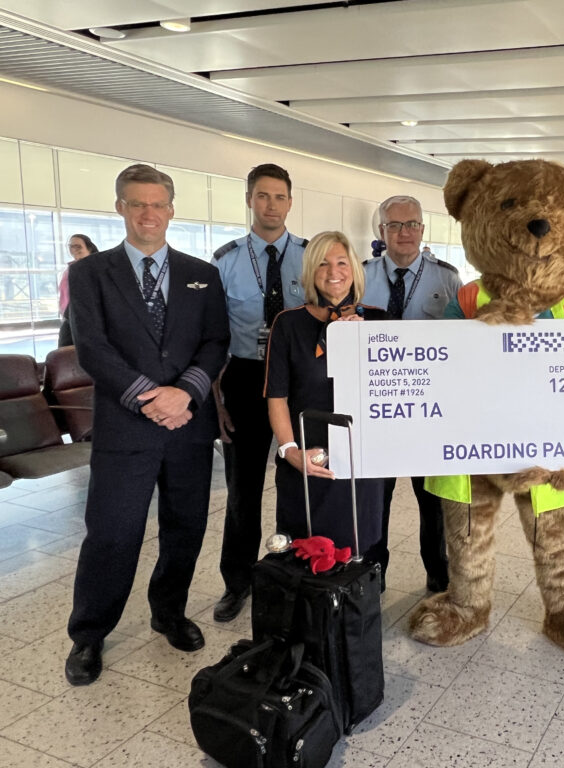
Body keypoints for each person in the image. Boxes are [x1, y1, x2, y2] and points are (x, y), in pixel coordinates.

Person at [64, 164, 230, 686]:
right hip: (125, 427)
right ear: (120, 209)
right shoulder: (91, 274)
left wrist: (187, 393)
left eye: (158, 204)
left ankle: (169, 612)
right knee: (113, 534)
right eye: (137, 204)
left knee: (186, 527)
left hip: (188, 425)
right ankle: (89, 634)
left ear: (172, 210)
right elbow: (91, 347)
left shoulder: (200, 271)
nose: (148, 214)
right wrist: (147, 398)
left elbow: (215, 340)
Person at [209, 163, 308, 623]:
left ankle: (295, 573)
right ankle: (238, 582)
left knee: (299, 484)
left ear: (290, 202)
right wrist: (217, 397)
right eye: (263, 196)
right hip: (245, 379)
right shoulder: (225, 260)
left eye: (280, 197)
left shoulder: (310, 257)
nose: (271, 205)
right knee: (242, 491)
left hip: (298, 380)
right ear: (250, 199)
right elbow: (210, 336)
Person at [361, 195, 462, 592]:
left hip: (427, 412)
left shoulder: (447, 279)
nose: (405, 233)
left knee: (432, 499)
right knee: (374, 498)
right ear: (381, 231)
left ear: (423, 229)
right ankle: (373, 573)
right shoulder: (360, 274)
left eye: (412, 224)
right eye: (395, 225)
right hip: (377, 407)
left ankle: (438, 573)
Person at [265, 231, 386, 551]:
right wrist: (290, 451)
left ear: (354, 270)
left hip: (360, 457)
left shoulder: (377, 320)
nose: (334, 272)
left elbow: (393, 388)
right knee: (305, 546)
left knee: (361, 545)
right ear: (309, 272)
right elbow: (277, 396)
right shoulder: (288, 324)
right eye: (323, 263)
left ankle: (361, 600)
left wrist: (365, 345)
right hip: (307, 453)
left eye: (342, 262)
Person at [57, 234, 99, 347]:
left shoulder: (96, 267)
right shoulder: (70, 268)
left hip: (88, 319)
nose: (74, 249)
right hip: (69, 316)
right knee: (65, 353)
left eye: (78, 246)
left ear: (88, 247)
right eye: (71, 246)